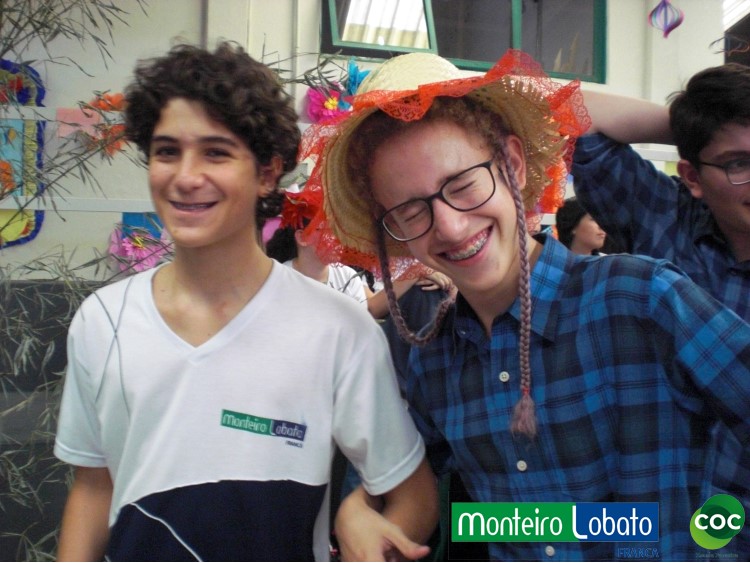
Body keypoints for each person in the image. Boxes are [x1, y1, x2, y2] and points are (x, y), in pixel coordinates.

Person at [301, 49, 750, 560]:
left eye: (463, 185)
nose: (450, 226)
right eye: (410, 210)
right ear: (392, 231)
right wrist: (360, 509)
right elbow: (423, 491)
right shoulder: (435, 362)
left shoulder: (639, 298)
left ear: (512, 165)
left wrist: (718, 537)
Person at [53, 42, 438, 562]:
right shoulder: (104, 322)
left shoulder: (339, 330)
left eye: (216, 152)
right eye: (167, 152)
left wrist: (368, 534)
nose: (186, 176)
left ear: (267, 172)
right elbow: (94, 488)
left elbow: (414, 496)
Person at [572, 63, 750, 552]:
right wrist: (697, 124)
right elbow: (569, 110)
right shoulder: (666, 219)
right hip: (655, 524)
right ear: (692, 175)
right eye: (739, 163)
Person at [266, 185, 453, 319]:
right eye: (325, 231)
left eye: (337, 230)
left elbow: (362, 324)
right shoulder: (280, 280)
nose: (336, 238)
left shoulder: (346, 276)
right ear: (302, 237)